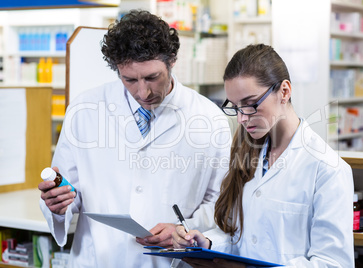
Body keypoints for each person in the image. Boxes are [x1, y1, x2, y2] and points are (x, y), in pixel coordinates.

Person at [38, 10, 231, 268]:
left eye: (153, 77)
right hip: (99, 260)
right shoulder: (85, 108)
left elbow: (220, 201)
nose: (143, 91)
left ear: (172, 61)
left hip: (170, 261)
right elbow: (69, 189)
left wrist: (184, 229)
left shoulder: (209, 117)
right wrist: (57, 204)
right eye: (129, 79)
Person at [172, 44, 354, 267]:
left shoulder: (328, 169)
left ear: (284, 92)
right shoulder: (247, 155)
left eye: (250, 105)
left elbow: (333, 263)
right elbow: (242, 237)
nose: (241, 118)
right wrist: (208, 243)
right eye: (236, 107)